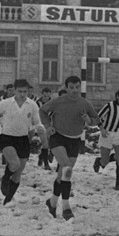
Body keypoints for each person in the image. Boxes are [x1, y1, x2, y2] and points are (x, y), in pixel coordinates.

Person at [39, 75, 101, 221]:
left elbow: (96, 119)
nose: (74, 90)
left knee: (63, 174)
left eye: (77, 87)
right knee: (67, 169)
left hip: (75, 140)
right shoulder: (58, 101)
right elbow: (42, 111)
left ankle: (52, 202)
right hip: (58, 137)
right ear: (66, 88)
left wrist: (89, 120)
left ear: (80, 87)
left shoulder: (84, 103)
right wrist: (48, 126)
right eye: (71, 87)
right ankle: (66, 207)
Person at [0, 79, 45, 205]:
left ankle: (7, 199)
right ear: (14, 90)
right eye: (20, 91)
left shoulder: (32, 105)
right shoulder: (6, 103)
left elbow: (37, 121)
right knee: (14, 164)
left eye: (25, 91)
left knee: (18, 173)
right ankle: (5, 178)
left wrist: (41, 129)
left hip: (23, 139)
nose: (22, 94)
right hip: (7, 137)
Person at [93, 87, 119, 190]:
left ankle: (118, 184)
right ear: (117, 97)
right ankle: (99, 161)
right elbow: (97, 117)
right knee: (105, 161)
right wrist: (102, 129)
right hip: (107, 134)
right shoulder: (109, 106)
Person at [35, 87, 54, 170]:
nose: (46, 98)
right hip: (40, 125)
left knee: (51, 143)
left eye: (47, 96)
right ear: (42, 94)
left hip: (50, 125)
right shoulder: (37, 103)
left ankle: (41, 156)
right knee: (45, 143)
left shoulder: (53, 103)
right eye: (44, 96)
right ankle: (46, 164)